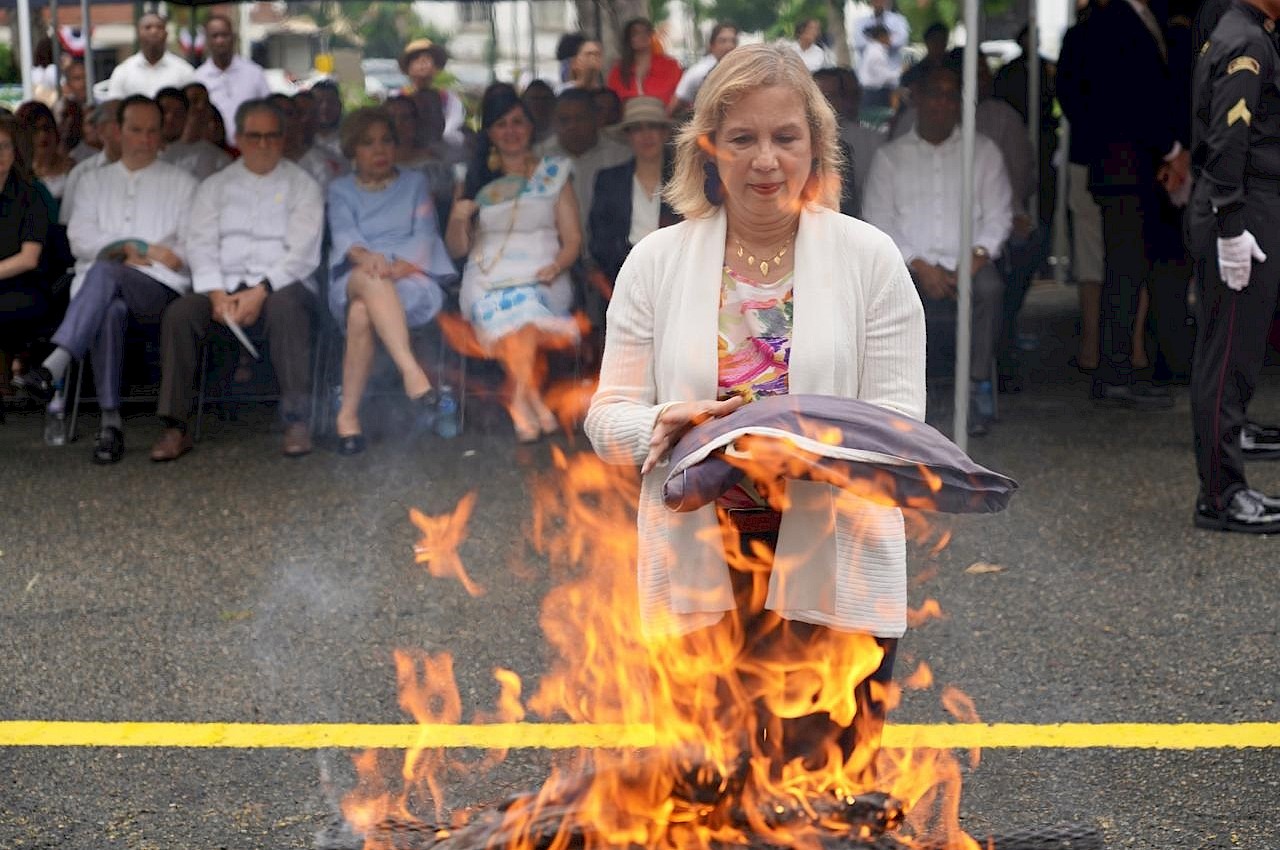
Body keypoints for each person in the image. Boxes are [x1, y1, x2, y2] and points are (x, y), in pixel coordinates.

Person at [584, 43, 924, 776]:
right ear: (708, 146)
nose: (765, 160)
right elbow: (605, 418)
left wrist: (810, 451)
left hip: (835, 560)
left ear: (817, 147)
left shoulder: (872, 259)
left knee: (822, 797)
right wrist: (657, 426)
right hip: (699, 562)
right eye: (743, 138)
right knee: (703, 796)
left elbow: (903, 432)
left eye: (785, 137)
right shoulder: (656, 261)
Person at [12, 96, 197, 464]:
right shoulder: (93, 182)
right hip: (100, 291)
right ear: (117, 131)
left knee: (105, 270)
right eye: (135, 130)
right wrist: (133, 248)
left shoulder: (184, 183)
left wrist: (133, 251)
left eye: (152, 131)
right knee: (109, 307)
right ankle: (110, 424)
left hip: (159, 290)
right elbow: (79, 241)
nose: (144, 139)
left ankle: (55, 364)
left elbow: (183, 255)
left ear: (162, 135)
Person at [152, 99, 323, 462]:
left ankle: (296, 420)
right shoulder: (215, 186)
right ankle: (174, 427)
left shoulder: (303, 185)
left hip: (282, 284)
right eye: (255, 136)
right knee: (180, 314)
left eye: (272, 137)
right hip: (223, 285)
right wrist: (215, 293)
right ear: (239, 138)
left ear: (283, 138)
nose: (264, 145)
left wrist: (261, 290)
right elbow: (200, 242)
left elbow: (304, 252)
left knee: (286, 307)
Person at [862, 66, 1011, 436]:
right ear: (919, 100)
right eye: (934, 94)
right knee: (885, 295)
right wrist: (918, 263)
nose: (942, 104)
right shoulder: (890, 157)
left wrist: (977, 256)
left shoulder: (983, 151)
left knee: (990, 291)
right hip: (909, 263)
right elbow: (877, 218)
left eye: (951, 95)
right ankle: (903, 394)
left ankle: (977, 386)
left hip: (970, 261)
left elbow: (1000, 214)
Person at [1188, 0, 1280, 532]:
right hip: (1240, 211)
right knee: (1226, 360)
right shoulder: (1244, 40)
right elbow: (1228, 135)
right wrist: (1229, 226)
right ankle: (1221, 495)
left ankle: (1226, 486)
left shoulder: (1249, 31)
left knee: (1233, 355)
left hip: (1245, 206)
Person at [445, 90, 582, 443]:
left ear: (530, 126)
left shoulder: (554, 172)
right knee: (515, 314)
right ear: (489, 132)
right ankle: (531, 399)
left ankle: (519, 397)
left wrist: (556, 266)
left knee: (526, 308)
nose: (511, 131)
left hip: (544, 273)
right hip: (488, 277)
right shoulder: (475, 177)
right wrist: (459, 219)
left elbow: (573, 241)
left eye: (518, 122)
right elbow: (457, 249)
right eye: (501, 124)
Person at [1073, 0, 1191, 409]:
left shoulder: (1134, 18)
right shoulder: (1115, 21)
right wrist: (1170, 147)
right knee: (1124, 272)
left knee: (1129, 270)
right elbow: (1135, 96)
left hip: (1129, 167)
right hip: (1123, 167)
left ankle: (1119, 367)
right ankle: (1115, 371)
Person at [327, 108, 457, 455]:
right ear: (353, 149)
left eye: (386, 141)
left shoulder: (414, 183)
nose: (379, 149)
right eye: (368, 143)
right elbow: (345, 236)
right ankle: (411, 370)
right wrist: (370, 261)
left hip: (410, 276)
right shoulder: (340, 190)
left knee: (361, 314)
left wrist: (399, 266)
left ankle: (348, 418)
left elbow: (425, 234)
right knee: (368, 284)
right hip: (359, 271)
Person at [588, 96, 680, 284]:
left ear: (664, 133)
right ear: (628, 136)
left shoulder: (683, 181)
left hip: (675, 276)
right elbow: (599, 241)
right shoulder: (608, 180)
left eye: (653, 126)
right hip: (622, 277)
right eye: (637, 128)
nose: (646, 135)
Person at [539, 89, 632, 252]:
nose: (572, 126)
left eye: (580, 118)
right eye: (564, 120)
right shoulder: (540, 157)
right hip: (557, 258)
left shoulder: (621, 155)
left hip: (611, 258)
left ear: (596, 119)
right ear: (554, 122)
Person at [0, 115, 56, 373]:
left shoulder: (31, 195)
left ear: (15, 151)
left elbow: (29, 258)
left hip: (25, 289)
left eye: (4, 146)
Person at [192, 14, 271, 147]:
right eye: (215, 36)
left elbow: (268, 112)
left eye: (224, 35)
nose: (220, 41)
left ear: (233, 37)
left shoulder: (254, 73)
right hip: (211, 151)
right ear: (207, 40)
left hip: (250, 151)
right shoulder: (198, 78)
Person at [60, 101, 122, 227]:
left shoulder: (153, 169)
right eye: (121, 122)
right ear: (101, 129)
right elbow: (67, 223)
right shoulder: (82, 173)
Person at [106, 13, 194, 99]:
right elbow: (114, 107)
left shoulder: (184, 71)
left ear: (166, 34)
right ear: (138, 34)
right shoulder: (123, 71)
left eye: (159, 27)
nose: (154, 31)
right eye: (148, 27)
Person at [400, 39, 466, 150]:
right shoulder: (397, 97)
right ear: (408, 69)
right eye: (416, 59)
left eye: (427, 59)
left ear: (436, 68)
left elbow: (451, 129)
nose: (422, 62)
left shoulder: (449, 99)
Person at [156, 87, 232, 180]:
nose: (170, 118)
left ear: (187, 117)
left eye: (178, 113)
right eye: (164, 111)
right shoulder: (138, 153)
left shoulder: (216, 159)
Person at [606, 18, 683, 106]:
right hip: (628, 118)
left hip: (663, 117)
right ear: (629, 39)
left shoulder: (670, 66)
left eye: (646, 32)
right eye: (635, 33)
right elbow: (610, 102)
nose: (642, 35)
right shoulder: (618, 71)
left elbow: (682, 96)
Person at [672, 22, 739, 115]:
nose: (729, 46)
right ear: (712, 46)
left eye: (733, 41)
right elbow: (676, 103)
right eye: (723, 41)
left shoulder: (742, 72)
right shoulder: (699, 72)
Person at [15, 102, 73, 205]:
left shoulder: (74, 170)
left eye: (47, 128)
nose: (43, 135)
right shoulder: (16, 174)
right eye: (35, 130)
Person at [850, 0, 910, 65]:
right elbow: (859, 43)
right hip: (868, 69)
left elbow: (902, 40)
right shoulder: (860, 23)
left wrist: (872, 40)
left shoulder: (899, 20)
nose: (878, 2)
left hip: (892, 68)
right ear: (870, 2)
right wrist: (886, 39)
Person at [856, 24, 900, 110]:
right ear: (882, 36)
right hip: (875, 94)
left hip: (873, 92)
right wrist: (902, 71)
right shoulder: (876, 53)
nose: (891, 39)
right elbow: (884, 78)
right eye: (889, 36)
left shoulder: (873, 50)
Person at [900, 22, 949, 93]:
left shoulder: (954, 66)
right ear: (927, 41)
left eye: (942, 40)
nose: (939, 44)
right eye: (935, 40)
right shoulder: (915, 73)